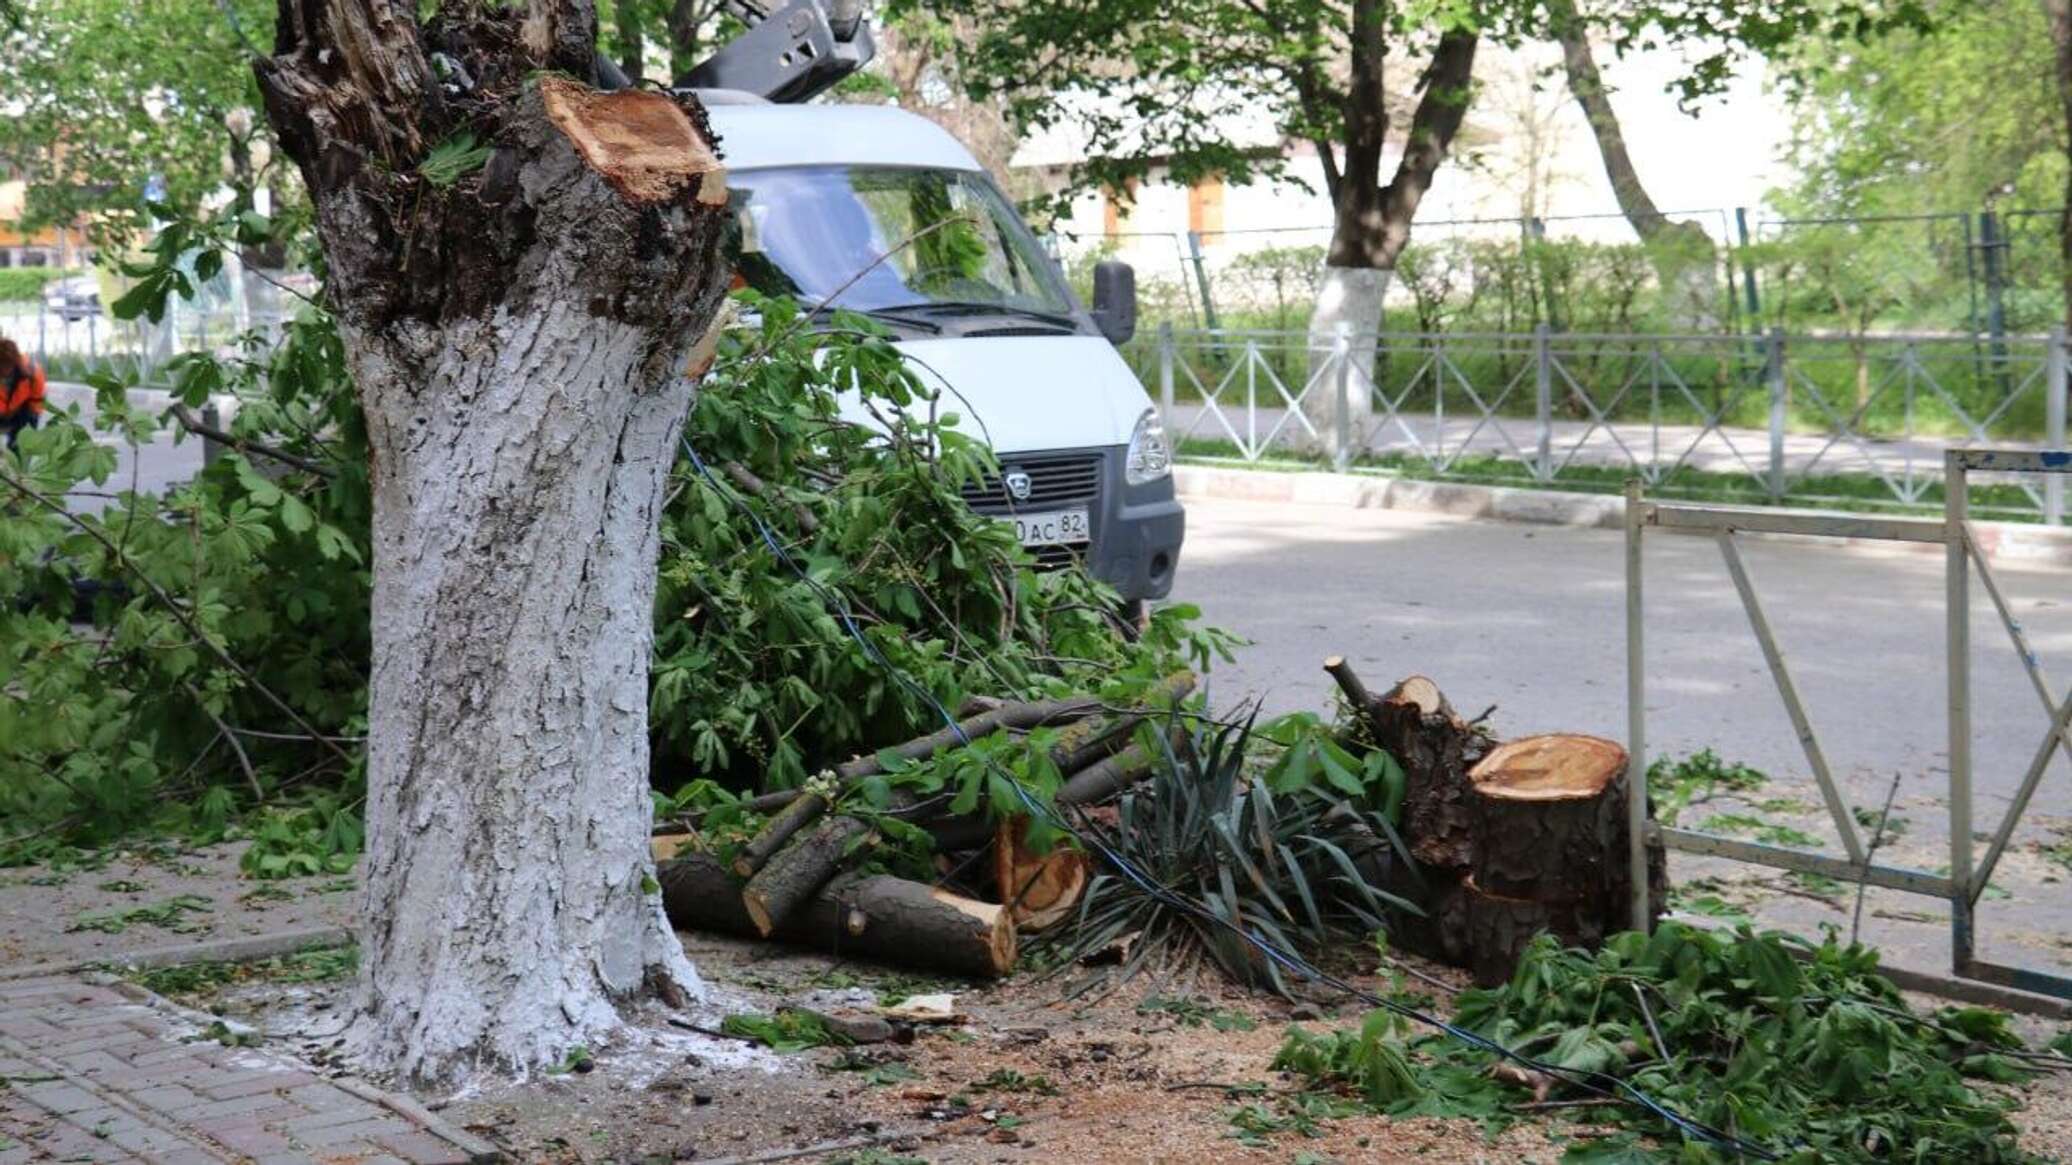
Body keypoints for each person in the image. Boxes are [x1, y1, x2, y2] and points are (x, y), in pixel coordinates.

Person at [0, 339, 46, 452]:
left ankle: (18, 464)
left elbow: (35, 407)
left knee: (20, 447)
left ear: (15, 361)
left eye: (7, 364)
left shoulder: (33, 372)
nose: (4, 370)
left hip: (22, 412)